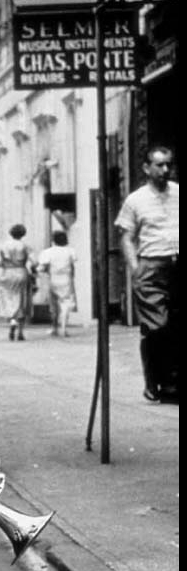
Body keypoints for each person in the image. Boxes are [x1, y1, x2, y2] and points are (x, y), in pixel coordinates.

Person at [114, 146, 179, 402]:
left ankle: (172, 383)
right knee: (157, 326)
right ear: (146, 168)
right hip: (151, 267)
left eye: (168, 164)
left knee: (175, 326)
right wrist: (135, 268)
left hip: (176, 266)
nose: (165, 170)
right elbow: (126, 237)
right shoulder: (135, 200)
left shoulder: (178, 193)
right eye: (159, 165)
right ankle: (153, 381)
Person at [0, 223, 35, 341]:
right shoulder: (25, 246)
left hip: (7, 272)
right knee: (22, 299)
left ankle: (12, 320)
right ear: (23, 234)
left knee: (7, 297)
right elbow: (34, 261)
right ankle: (21, 332)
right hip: (21, 271)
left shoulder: (3, 246)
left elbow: (0, 262)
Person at [37, 230, 77, 338]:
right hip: (66, 279)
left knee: (53, 305)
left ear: (54, 240)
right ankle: (63, 328)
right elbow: (73, 266)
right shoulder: (70, 251)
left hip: (52, 279)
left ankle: (54, 327)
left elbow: (41, 268)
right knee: (65, 304)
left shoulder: (47, 252)